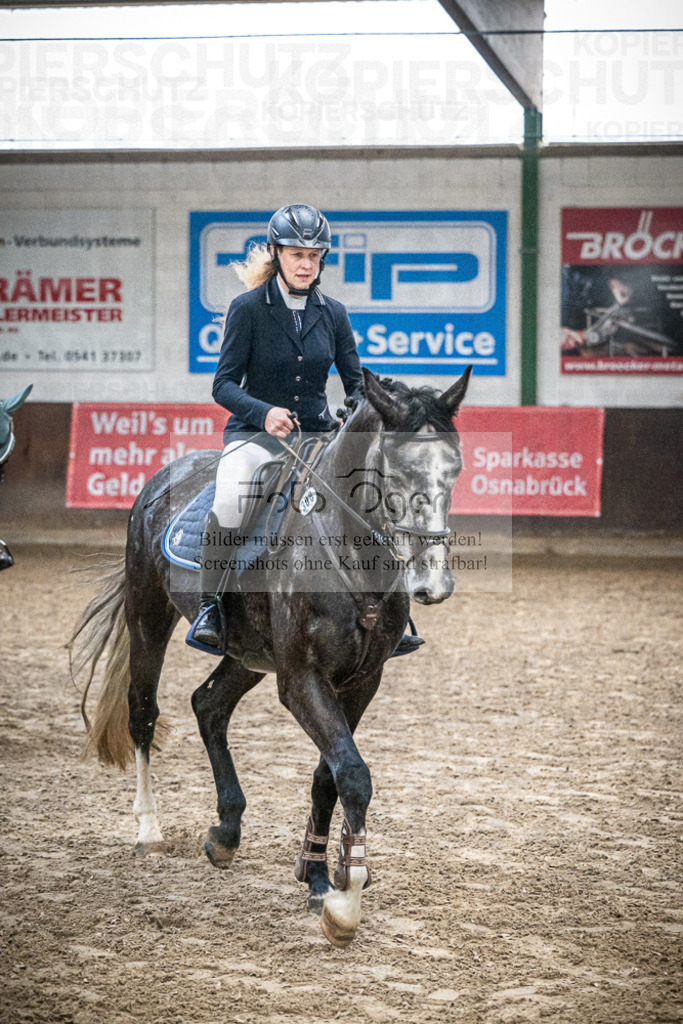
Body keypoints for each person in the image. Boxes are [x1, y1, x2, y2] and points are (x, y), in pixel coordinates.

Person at [187, 203, 363, 653]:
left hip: (317, 440)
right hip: (255, 435)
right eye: (295, 254)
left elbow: (355, 384)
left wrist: (356, 414)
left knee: (369, 499)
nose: (306, 264)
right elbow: (223, 385)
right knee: (230, 500)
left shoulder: (335, 313)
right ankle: (211, 605)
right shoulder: (247, 309)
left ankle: (390, 613)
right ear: (275, 253)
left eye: (314, 255)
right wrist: (264, 412)